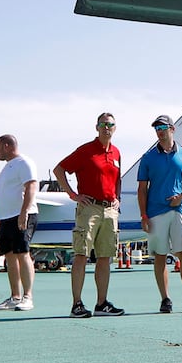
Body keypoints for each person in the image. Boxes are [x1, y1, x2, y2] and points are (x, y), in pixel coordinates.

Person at [53, 112, 125, 318]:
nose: (106, 128)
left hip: (110, 209)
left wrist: (117, 197)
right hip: (89, 208)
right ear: (97, 127)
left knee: (105, 256)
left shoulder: (116, 153)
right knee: (81, 254)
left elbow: (117, 178)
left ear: (115, 128)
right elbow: (60, 169)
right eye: (103, 124)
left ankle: (102, 303)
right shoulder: (86, 151)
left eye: (110, 125)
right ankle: (77, 303)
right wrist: (72, 194)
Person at [137, 114, 182, 314]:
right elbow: (142, 189)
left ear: (172, 129)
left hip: (179, 210)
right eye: (156, 128)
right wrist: (143, 215)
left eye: (163, 127)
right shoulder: (148, 158)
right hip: (155, 212)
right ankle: (165, 299)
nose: (159, 131)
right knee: (159, 256)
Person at [0, 135, 38, 311]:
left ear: (6, 146)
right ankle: (15, 296)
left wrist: (24, 212)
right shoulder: (6, 168)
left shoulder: (24, 163)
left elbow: (31, 187)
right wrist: (0, 218)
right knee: (9, 256)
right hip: (6, 218)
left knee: (23, 253)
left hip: (22, 215)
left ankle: (28, 297)